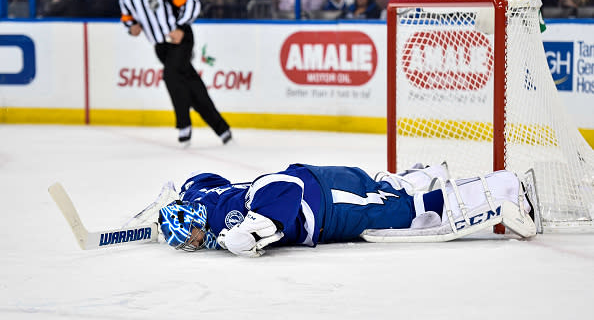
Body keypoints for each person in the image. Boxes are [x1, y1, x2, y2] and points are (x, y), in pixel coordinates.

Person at [155, 162, 537, 257]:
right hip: (324, 185)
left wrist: (262, 225)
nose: (190, 241)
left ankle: (506, 187)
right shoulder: (201, 197)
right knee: (384, 193)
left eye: (186, 233)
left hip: (327, 208)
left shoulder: (223, 218)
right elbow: (200, 177)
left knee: (410, 214)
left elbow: (283, 186)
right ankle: (416, 176)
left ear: (194, 217)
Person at [119, 0, 232, 145]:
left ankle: (183, 125)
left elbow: (191, 2)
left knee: (171, 76)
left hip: (181, 39)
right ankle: (222, 129)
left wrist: (180, 26)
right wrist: (132, 29)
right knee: (192, 85)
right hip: (161, 47)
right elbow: (127, 20)